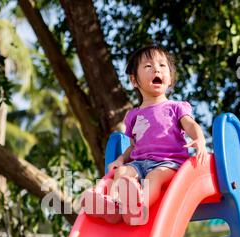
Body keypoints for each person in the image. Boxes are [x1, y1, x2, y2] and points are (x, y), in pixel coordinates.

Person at [83, 44, 208, 225]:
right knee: (123, 172)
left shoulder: (176, 107)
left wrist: (199, 139)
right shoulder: (133, 115)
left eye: (162, 66)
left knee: (153, 178)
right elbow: (134, 145)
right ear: (134, 80)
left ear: (170, 78)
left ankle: (139, 208)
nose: (156, 69)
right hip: (139, 163)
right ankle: (114, 206)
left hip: (168, 163)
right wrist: (120, 160)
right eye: (148, 66)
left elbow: (190, 125)